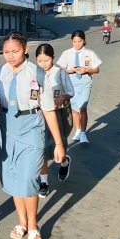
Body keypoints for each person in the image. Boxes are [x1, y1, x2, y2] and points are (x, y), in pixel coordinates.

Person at [0, 32, 65, 239]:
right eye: (6, 52)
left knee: (30, 178)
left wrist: (59, 143)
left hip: (32, 126)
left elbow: (49, 110)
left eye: (15, 51)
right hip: (6, 128)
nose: (10, 56)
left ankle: (33, 225)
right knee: (14, 178)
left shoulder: (38, 74)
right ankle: (21, 222)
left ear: (25, 49)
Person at [35, 43, 75, 196]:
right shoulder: (35, 73)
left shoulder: (59, 72)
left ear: (52, 58)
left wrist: (62, 98)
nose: (43, 64)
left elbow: (70, 91)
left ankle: (64, 162)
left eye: (46, 60)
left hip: (56, 114)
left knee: (59, 146)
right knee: (42, 149)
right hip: (39, 115)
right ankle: (44, 182)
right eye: (40, 61)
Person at [57, 30, 102, 143]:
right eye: (75, 41)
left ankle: (83, 133)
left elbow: (96, 69)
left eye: (80, 41)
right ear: (72, 41)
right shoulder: (66, 53)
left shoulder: (90, 53)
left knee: (83, 107)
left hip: (85, 84)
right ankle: (77, 130)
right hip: (71, 85)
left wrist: (87, 70)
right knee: (74, 109)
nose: (77, 44)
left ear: (84, 41)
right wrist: (69, 70)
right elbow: (60, 70)